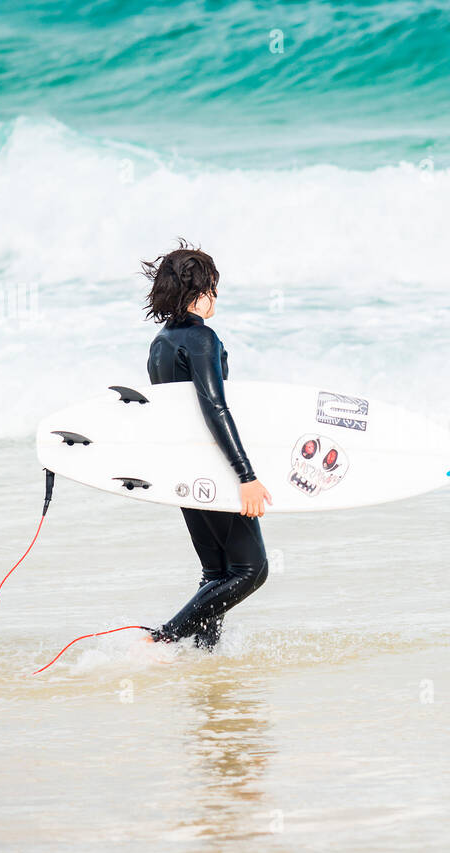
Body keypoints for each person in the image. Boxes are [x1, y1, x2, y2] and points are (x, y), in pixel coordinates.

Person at [140, 240, 271, 648]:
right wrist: (246, 476)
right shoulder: (202, 340)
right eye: (214, 287)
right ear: (202, 290)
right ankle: (164, 639)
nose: (216, 296)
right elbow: (215, 408)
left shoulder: (161, 343)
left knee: (216, 573)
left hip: (182, 467)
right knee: (251, 570)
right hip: (210, 465)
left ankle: (204, 663)